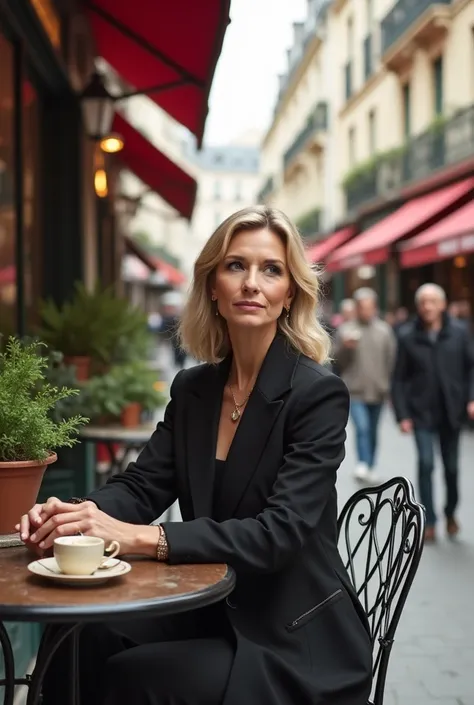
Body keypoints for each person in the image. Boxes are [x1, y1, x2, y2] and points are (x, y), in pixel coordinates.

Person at [19, 206, 372, 705]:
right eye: (235, 266)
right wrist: (79, 517)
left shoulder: (317, 394)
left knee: (136, 676)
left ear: (289, 292)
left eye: (270, 269)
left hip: (292, 633)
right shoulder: (195, 389)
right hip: (213, 605)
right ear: (212, 286)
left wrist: (148, 538)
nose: (252, 283)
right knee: (77, 636)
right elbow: (143, 486)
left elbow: (279, 534)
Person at [391, 283, 474, 542]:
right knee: (426, 464)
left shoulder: (459, 333)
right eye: (423, 302)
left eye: (432, 301)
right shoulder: (407, 336)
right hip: (421, 412)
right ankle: (429, 519)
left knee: (451, 468)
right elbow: (399, 379)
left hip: (452, 411)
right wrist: (403, 414)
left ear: (442, 304)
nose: (427, 306)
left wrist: (471, 399)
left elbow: (471, 369)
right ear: (418, 306)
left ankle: (450, 512)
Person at [333, 288, 396, 484]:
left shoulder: (385, 331)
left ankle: (370, 464)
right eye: (362, 307)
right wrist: (345, 347)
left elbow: (391, 360)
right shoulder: (346, 330)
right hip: (355, 390)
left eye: (369, 307)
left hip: (378, 391)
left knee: (373, 431)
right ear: (356, 308)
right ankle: (362, 463)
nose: (365, 311)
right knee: (362, 427)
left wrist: (387, 385)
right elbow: (336, 361)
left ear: (375, 308)